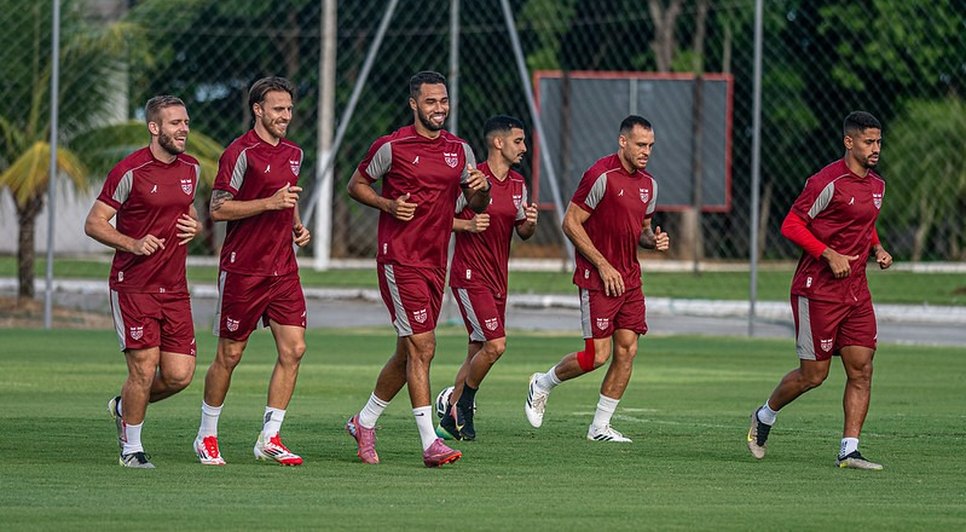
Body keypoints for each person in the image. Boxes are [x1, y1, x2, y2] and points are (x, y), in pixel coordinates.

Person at [345, 71, 490, 467]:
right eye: (430, 101)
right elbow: (356, 185)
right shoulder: (391, 146)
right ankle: (430, 443)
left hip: (433, 261)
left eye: (443, 101)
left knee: (406, 351)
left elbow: (476, 205)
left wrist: (482, 189)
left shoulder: (460, 150)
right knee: (424, 347)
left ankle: (365, 421)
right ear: (414, 104)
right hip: (399, 259)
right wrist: (388, 205)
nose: (439, 108)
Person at [747, 111, 892, 470]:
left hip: (856, 291)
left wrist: (877, 249)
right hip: (817, 291)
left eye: (878, 142)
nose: (875, 149)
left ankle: (849, 449)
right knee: (814, 375)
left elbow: (865, 223)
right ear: (849, 142)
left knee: (862, 368)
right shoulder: (827, 182)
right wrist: (828, 254)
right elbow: (791, 224)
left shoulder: (877, 185)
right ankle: (765, 415)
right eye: (868, 142)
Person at [524, 115, 669, 442]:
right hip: (597, 277)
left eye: (650, 146)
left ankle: (599, 427)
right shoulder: (600, 175)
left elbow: (642, 231)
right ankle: (542, 383)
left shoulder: (649, 185)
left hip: (630, 279)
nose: (646, 151)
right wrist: (603, 265)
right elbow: (570, 223)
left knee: (627, 351)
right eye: (640, 145)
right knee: (596, 356)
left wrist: (653, 241)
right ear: (623, 142)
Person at [193, 76, 311, 466]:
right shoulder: (239, 152)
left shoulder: (294, 153)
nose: (286, 116)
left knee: (294, 349)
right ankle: (206, 436)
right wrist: (269, 203)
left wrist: (295, 223)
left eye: (289, 109)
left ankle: (270, 437)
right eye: (278, 109)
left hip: (283, 268)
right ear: (257, 110)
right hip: (243, 269)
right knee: (230, 353)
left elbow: (287, 196)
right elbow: (219, 209)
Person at [85, 95, 202, 468]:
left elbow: (187, 207)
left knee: (180, 375)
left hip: (175, 288)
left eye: (185, 122)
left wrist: (194, 225)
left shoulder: (192, 168)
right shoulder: (129, 170)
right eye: (174, 123)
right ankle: (131, 449)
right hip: (133, 286)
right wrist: (132, 243)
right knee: (143, 367)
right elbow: (94, 223)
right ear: (154, 128)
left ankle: (124, 406)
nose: (183, 129)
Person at [435, 115, 538, 441]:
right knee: (495, 345)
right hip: (469, 275)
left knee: (477, 348)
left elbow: (521, 231)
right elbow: (436, 220)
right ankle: (463, 404)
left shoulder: (519, 183)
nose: (524, 148)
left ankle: (450, 413)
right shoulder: (473, 179)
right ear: (498, 142)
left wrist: (530, 224)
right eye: (518, 141)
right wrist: (466, 225)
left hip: (498, 278)